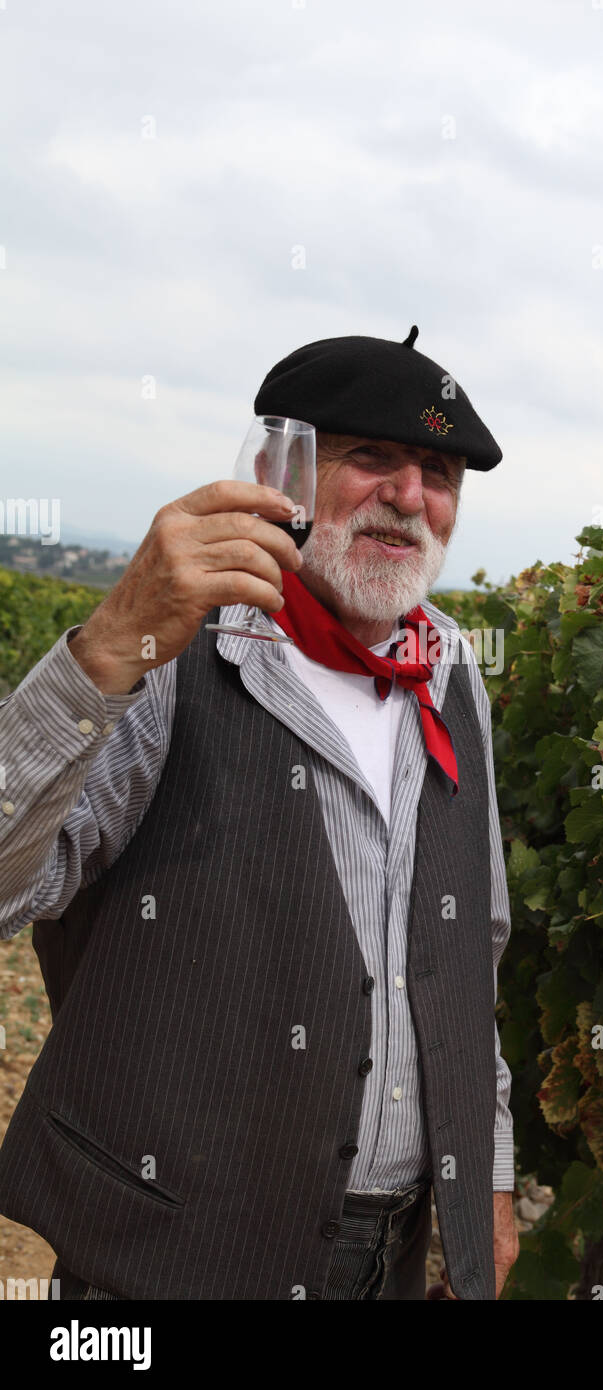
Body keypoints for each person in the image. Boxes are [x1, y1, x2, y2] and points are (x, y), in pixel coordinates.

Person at [0, 326, 519, 1301]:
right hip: (165, 1263)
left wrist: (480, 1189)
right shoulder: (168, 652)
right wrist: (109, 643)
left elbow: (464, 961)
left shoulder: (452, 673)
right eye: (370, 457)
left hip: (387, 1262)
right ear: (283, 470)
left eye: (438, 470)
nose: (408, 496)